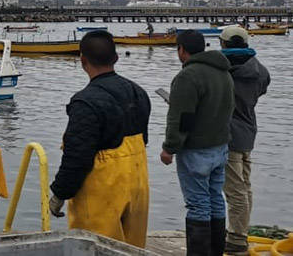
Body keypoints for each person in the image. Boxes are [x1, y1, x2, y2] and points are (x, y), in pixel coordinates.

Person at [49, 30, 151, 248]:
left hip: (102, 192)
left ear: (82, 60)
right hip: (138, 184)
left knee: (95, 248)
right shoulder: (139, 92)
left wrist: (59, 193)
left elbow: (77, 157)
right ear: (116, 58)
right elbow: (144, 139)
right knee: (132, 250)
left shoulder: (85, 102)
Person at [160, 30, 234, 256]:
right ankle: (216, 251)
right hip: (220, 147)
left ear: (181, 49)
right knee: (215, 199)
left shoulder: (187, 77)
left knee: (198, 204)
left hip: (196, 151)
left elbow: (180, 118)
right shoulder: (224, 73)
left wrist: (169, 148)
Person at [218, 26, 271, 255]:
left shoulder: (221, 68)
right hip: (249, 131)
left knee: (234, 189)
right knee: (245, 186)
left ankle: (237, 239)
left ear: (224, 44)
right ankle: (240, 231)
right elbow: (262, 91)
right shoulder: (260, 70)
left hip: (228, 134)